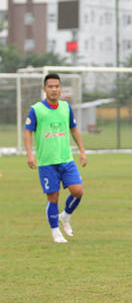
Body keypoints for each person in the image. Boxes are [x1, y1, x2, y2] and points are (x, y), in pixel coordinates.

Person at [24, 73, 87, 243]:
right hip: (47, 162)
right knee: (53, 197)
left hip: (66, 159)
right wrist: (30, 155)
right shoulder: (36, 109)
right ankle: (55, 232)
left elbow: (74, 129)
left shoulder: (66, 107)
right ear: (45, 89)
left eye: (57, 86)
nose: (54, 89)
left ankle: (65, 216)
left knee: (78, 191)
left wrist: (82, 151)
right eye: (50, 86)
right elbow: (28, 131)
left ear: (60, 89)